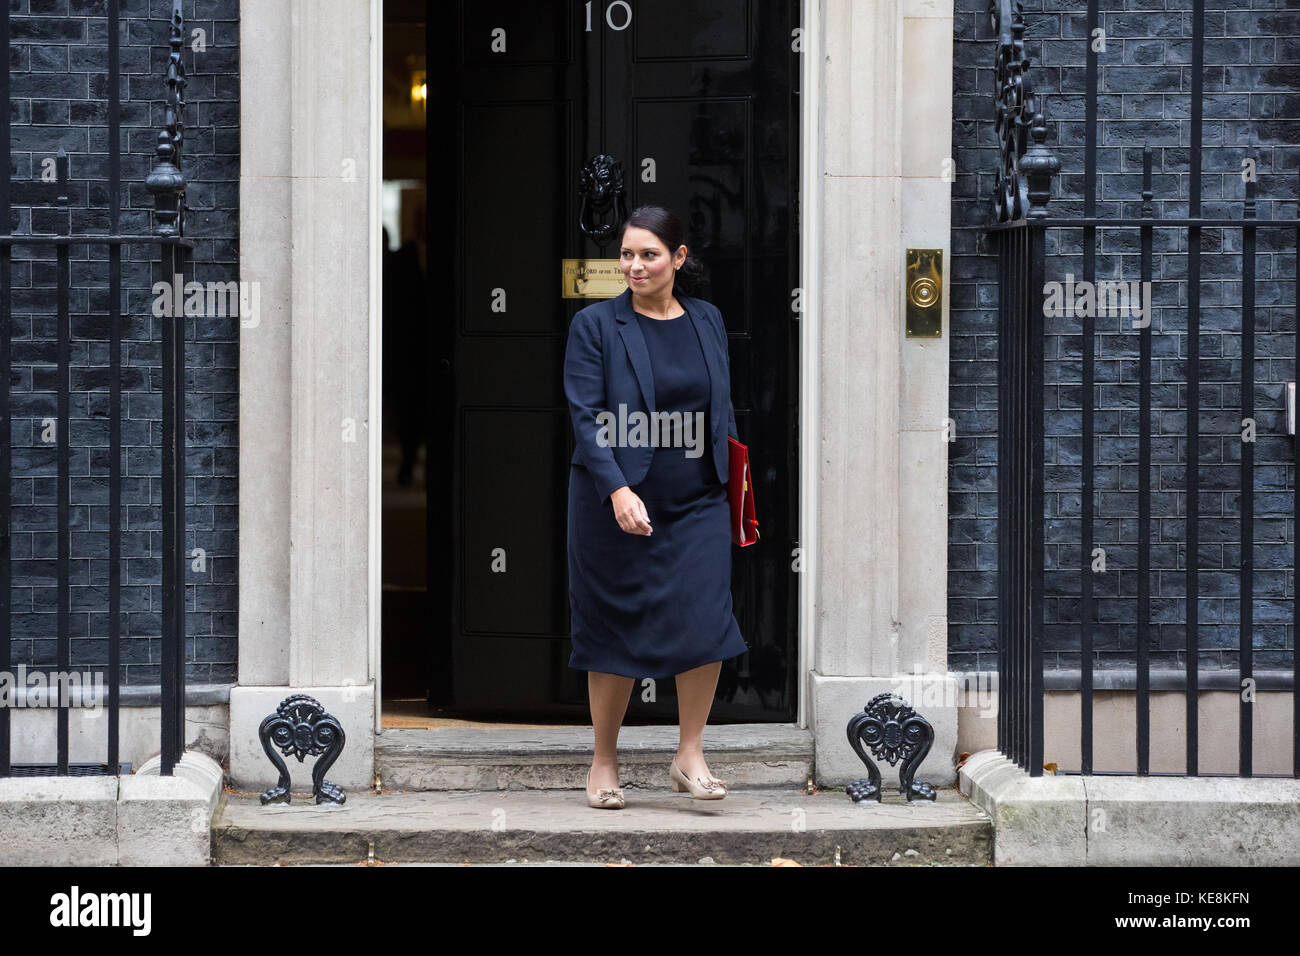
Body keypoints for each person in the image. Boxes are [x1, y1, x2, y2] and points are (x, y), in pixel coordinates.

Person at [563, 204, 749, 809]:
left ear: (679, 258)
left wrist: (734, 485)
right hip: (614, 500)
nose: (634, 265)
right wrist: (617, 488)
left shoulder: (708, 320)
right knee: (613, 626)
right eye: (626, 254)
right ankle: (604, 760)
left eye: (648, 254)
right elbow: (588, 419)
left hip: (697, 499)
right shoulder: (595, 325)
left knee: (706, 619)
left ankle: (689, 754)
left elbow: (719, 409)